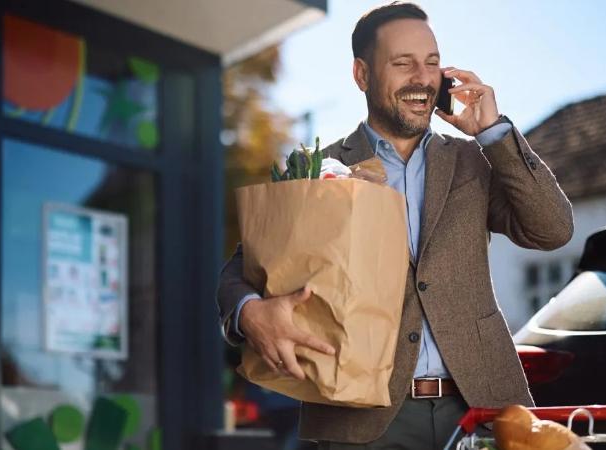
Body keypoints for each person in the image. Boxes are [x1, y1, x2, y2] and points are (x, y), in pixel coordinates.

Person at [217, 2, 574, 449]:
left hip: (480, 411)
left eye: (432, 62)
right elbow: (239, 270)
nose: (422, 78)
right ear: (362, 75)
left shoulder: (473, 161)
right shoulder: (317, 168)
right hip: (360, 419)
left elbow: (552, 230)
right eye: (403, 63)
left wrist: (494, 133)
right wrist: (249, 312)